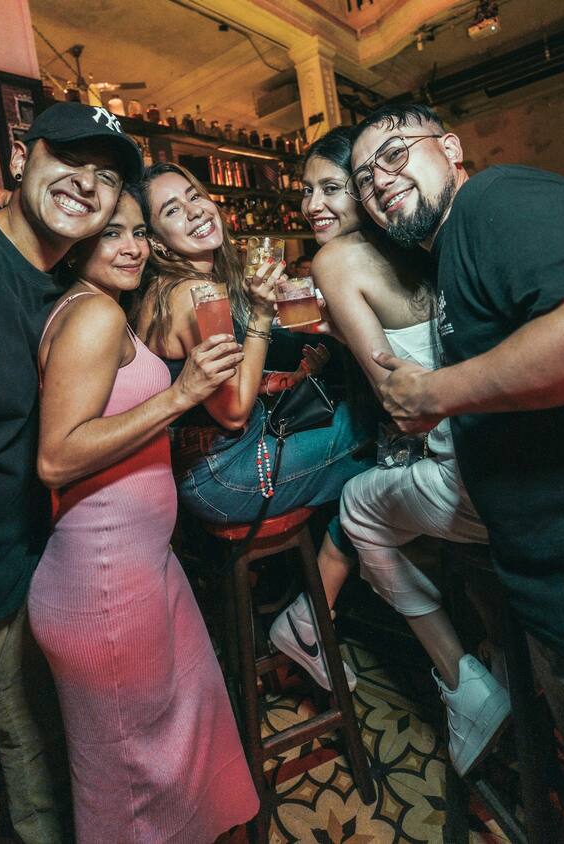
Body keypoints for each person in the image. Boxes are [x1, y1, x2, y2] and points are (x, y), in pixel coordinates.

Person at [350, 102, 564, 841]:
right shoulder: (453, 253)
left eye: (394, 154)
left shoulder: (495, 198)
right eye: (362, 178)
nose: (379, 180)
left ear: (451, 148)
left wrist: (435, 393)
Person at [0, 101, 143, 843]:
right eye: (68, 160)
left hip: (22, 585)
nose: (86, 183)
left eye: (106, 178)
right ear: (21, 159)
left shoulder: (65, 291)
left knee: (44, 787)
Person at [269, 126, 510, 778]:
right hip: (509, 459)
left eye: (331, 187)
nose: (313, 205)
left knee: (355, 500)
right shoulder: (424, 245)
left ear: (366, 190)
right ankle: (499, 653)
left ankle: (460, 678)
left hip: (462, 472)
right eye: (306, 192)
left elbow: (397, 396)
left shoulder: (335, 260)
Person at [29, 185, 257, 843]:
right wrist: (181, 395)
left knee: (184, 744)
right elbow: (56, 457)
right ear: (76, 242)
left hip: (138, 568)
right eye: (111, 233)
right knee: (133, 793)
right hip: (105, 587)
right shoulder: (94, 316)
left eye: (137, 232)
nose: (131, 247)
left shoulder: (105, 307)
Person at [135, 162, 374, 690]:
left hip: (204, 470)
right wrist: (263, 314)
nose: (195, 210)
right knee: (381, 437)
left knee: (364, 458)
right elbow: (234, 411)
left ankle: (315, 607)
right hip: (231, 474)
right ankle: (314, 616)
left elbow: (218, 388)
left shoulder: (171, 288)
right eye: (172, 210)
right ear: (154, 240)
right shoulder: (194, 295)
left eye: (194, 195)